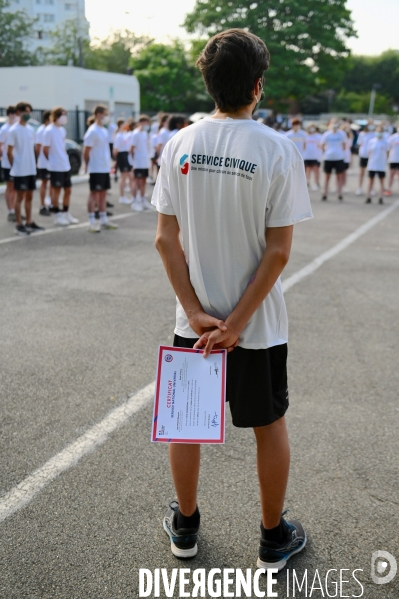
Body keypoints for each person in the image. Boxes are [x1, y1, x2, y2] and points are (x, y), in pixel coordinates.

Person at [152, 28, 312, 570]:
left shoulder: (178, 143)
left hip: (193, 324)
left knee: (186, 425)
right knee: (269, 426)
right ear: (258, 86)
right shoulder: (276, 149)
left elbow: (164, 239)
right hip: (257, 326)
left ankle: (186, 529)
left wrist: (197, 313)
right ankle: (272, 537)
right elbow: (278, 252)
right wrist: (238, 323)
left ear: (208, 82)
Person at [7, 102, 44, 236]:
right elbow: (9, 152)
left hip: (30, 169)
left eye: (29, 112)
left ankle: (29, 221)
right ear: (18, 112)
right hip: (20, 170)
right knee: (19, 197)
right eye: (25, 112)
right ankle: (18, 224)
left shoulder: (29, 129)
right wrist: (15, 166)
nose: (28, 115)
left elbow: (32, 149)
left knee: (29, 196)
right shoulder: (14, 130)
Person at [83, 105, 118, 233]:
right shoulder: (92, 131)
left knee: (103, 193)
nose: (107, 117)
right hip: (96, 167)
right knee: (94, 193)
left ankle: (103, 219)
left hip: (104, 167)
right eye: (105, 114)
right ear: (98, 114)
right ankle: (91, 221)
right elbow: (86, 150)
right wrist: (86, 164)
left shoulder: (103, 130)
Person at [43, 107, 79, 226]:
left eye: (65, 114)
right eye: (62, 114)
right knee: (56, 190)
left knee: (68, 190)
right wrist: (52, 161)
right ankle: (57, 215)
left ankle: (65, 212)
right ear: (56, 116)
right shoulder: (49, 130)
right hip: (55, 166)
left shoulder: (62, 130)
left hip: (65, 165)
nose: (64, 117)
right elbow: (45, 149)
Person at [130, 114, 153, 210]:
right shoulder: (135, 133)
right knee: (137, 181)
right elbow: (131, 149)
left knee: (143, 181)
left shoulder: (145, 133)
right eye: (143, 122)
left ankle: (143, 200)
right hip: (138, 162)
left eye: (147, 123)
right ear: (140, 123)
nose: (145, 124)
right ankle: (135, 201)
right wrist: (133, 162)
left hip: (144, 161)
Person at [320, 120, 346, 201]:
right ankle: (325, 192)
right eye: (333, 123)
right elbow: (322, 145)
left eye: (336, 123)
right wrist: (327, 151)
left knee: (339, 176)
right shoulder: (327, 134)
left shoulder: (342, 134)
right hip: (328, 158)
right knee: (327, 176)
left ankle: (339, 193)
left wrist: (339, 152)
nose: (334, 125)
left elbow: (344, 145)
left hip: (339, 157)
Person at [0, 105, 18, 222]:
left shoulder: (16, 128)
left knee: (16, 188)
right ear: (11, 115)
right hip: (8, 163)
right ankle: (10, 211)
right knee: (10, 187)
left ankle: (15, 210)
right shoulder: (5, 129)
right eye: (16, 114)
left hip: (17, 163)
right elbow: (1, 145)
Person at [113, 120, 136, 205]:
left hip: (126, 155)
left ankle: (132, 196)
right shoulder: (119, 136)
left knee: (130, 176)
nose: (125, 125)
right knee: (124, 177)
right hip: (122, 156)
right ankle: (122, 197)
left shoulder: (124, 134)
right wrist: (116, 160)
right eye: (123, 124)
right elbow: (115, 149)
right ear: (120, 125)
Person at [365, 126, 389, 205]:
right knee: (371, 181)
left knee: (381, 181)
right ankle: (369, 197)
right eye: (377, 131)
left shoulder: (385, 142)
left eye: (380, 131)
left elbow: (387, 153)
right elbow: (369, 152)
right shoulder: (371, 141)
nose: (379, 133)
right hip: (372, 164)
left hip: (381, 165)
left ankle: (380, 197)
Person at [35, 110, 52, 216]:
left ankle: (50, 203)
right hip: (44, 162)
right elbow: (38, 147)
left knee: (52, 184)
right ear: (47, 119)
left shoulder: (51, 129)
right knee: (44, 183)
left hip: (51, 163)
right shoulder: (41, 130)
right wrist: (40, 159)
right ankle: (42, 206)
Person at [355, 123, 375, 195]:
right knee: (362, 173)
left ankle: (371, 188)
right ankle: (359, 188)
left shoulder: (375, 134)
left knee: (371, 174)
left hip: (372, 156)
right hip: (363, 155)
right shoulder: (362, 134)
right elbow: (359, 144)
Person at [303, 123, 321, 190]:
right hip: (307, 156)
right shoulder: (305, 135)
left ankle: (316, 183)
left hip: (315, 156)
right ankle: (307, 182)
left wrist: (320, 156)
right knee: (307, 169)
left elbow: (320, 146)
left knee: (316, 170)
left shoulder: (318, 136)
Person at [385, 126, 399, 196]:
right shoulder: (392, 137)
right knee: (391, 174)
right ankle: (389, 189)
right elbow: (388, 148)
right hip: (393, 159)